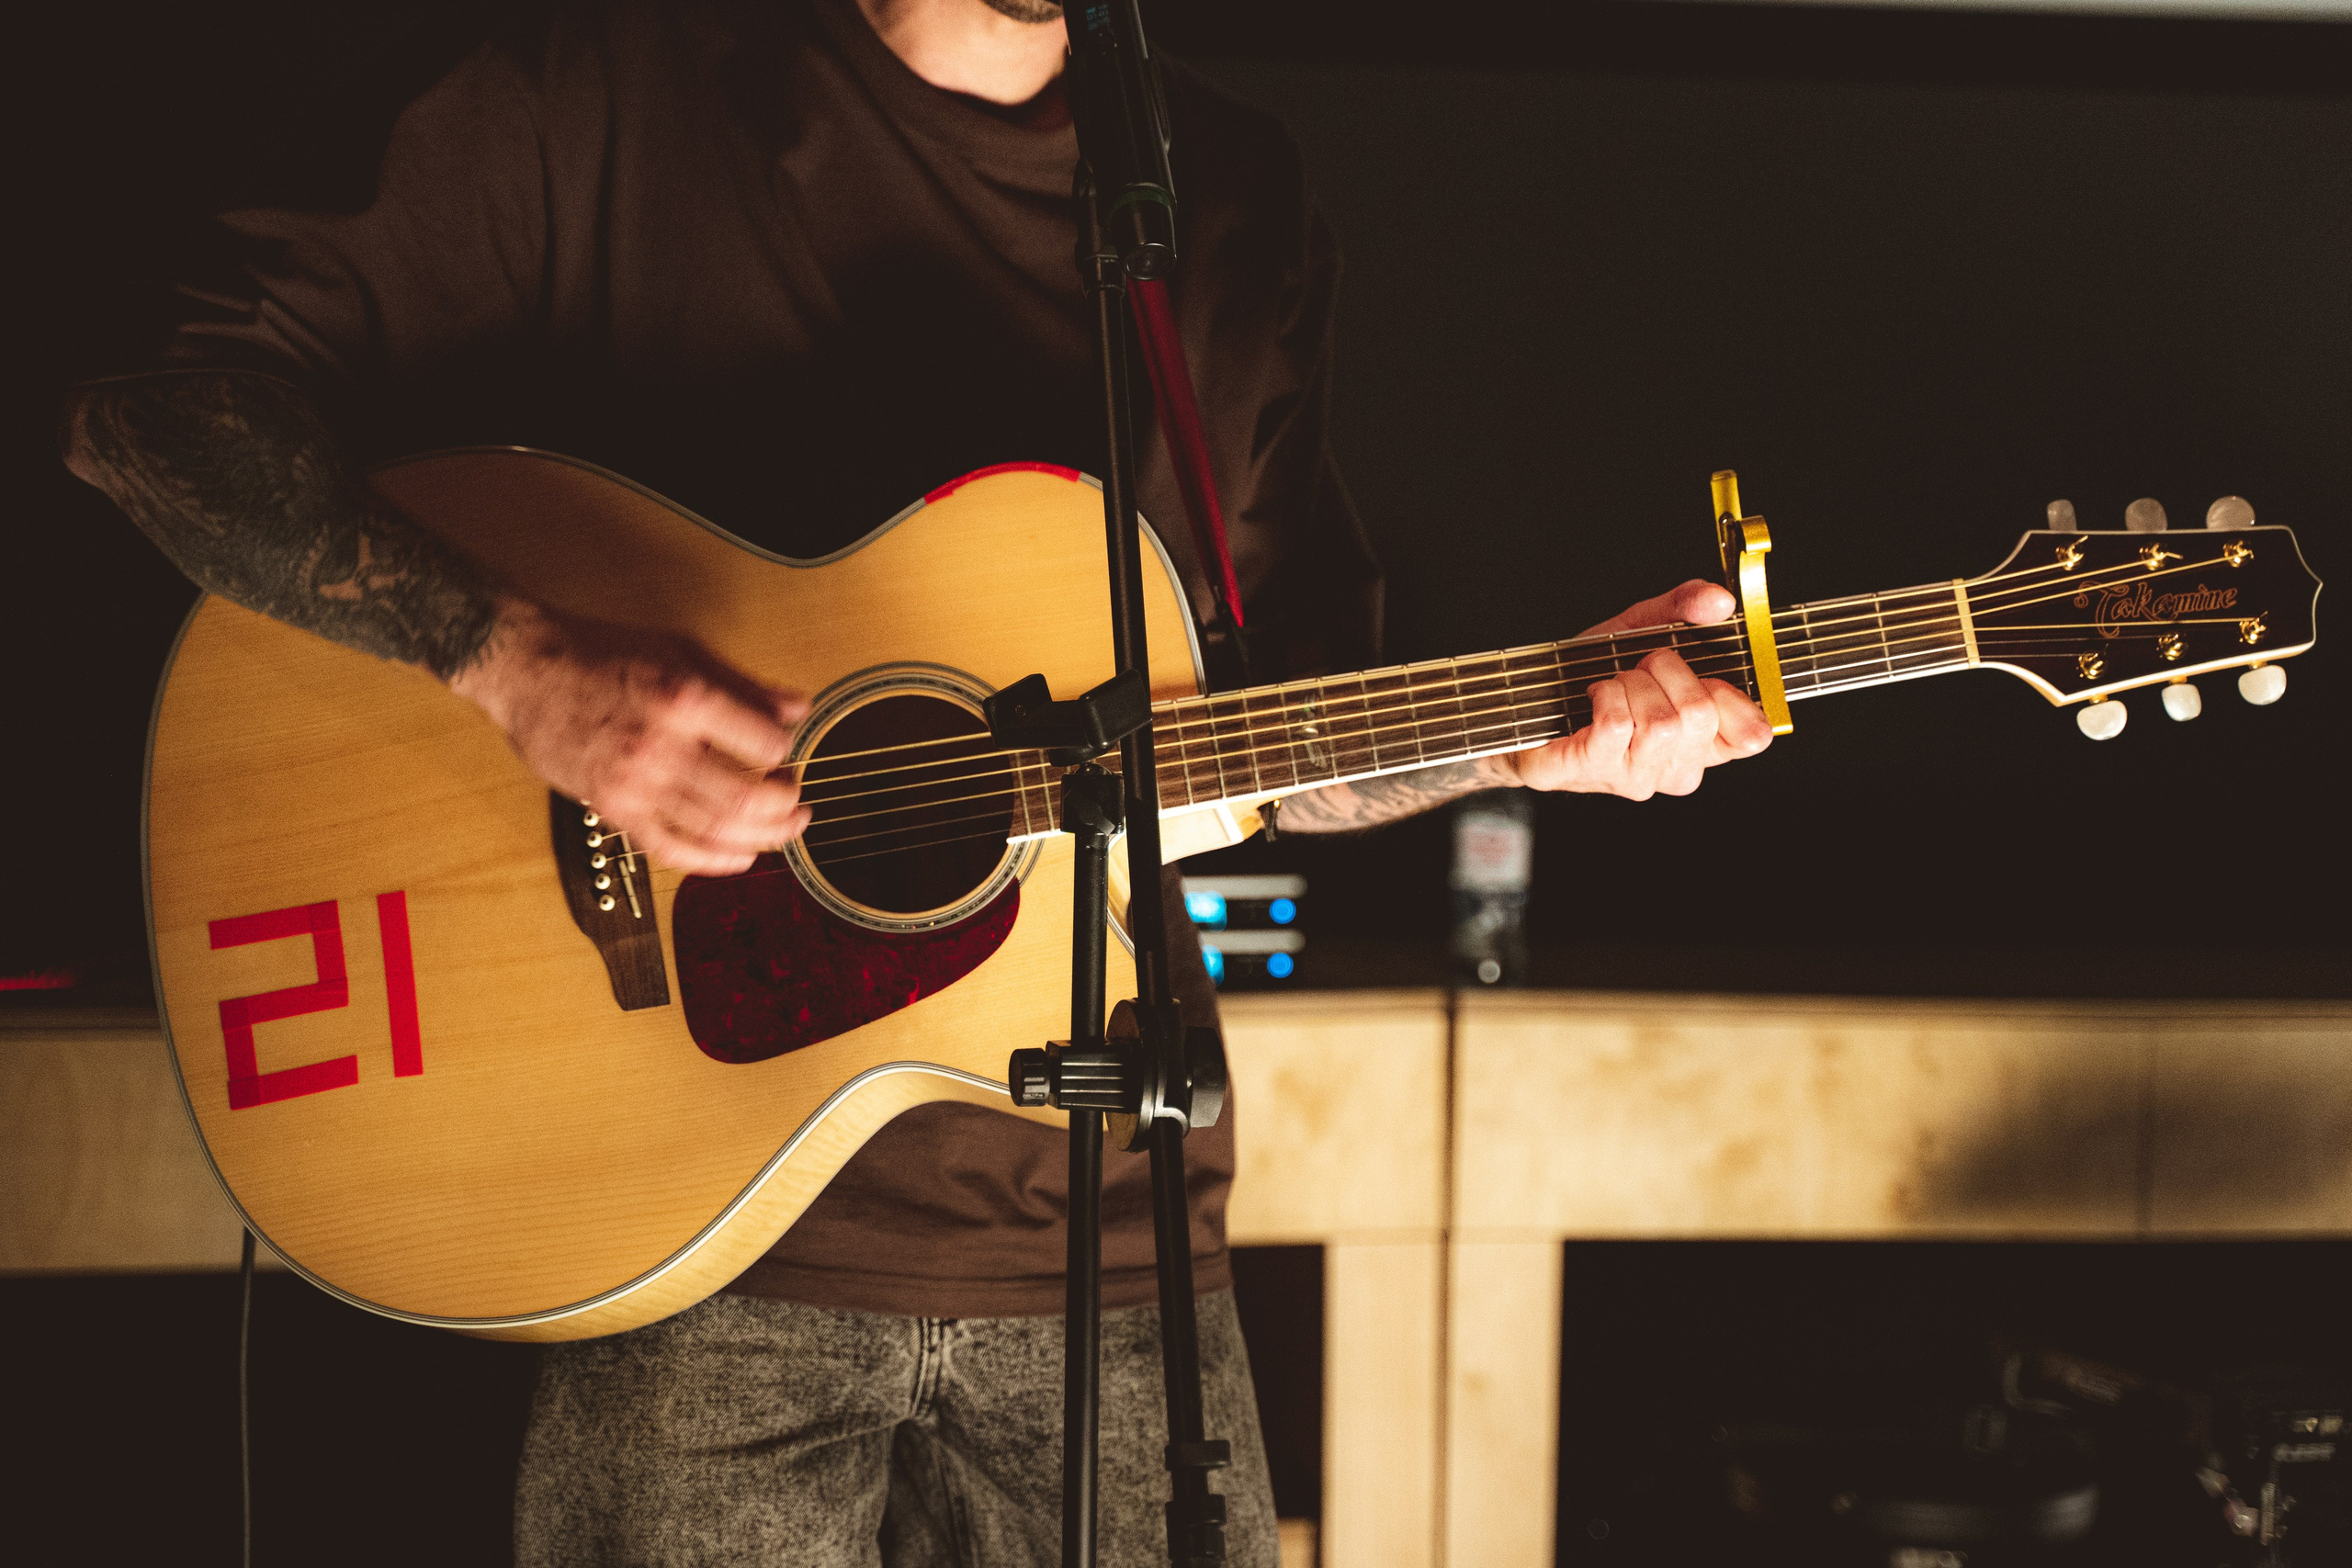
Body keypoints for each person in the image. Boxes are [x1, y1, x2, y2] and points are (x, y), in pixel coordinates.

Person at [62, 0, 1771, 1562]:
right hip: (683, 1227)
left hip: (1104, 1230)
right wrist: (516, 665)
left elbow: (1248, 729)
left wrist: (1536, 731)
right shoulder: (587, 95)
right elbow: (148, 410)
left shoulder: (1216, 191)